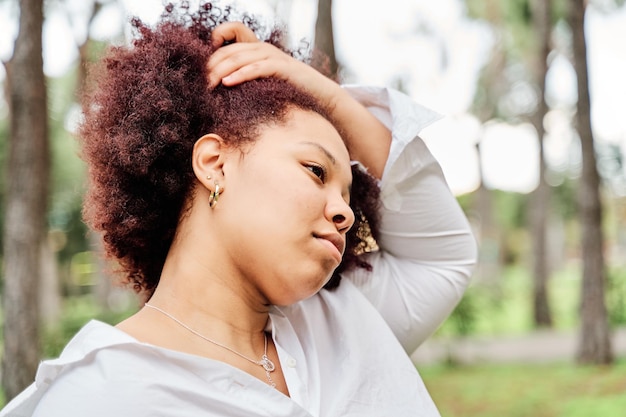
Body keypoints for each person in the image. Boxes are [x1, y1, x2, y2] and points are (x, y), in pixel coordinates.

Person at [1, 2, 477, 416]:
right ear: (214, 164)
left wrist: (317, 90)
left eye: (350, 195)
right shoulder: (96, 397)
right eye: (315, 170)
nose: (346, 214)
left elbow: (443, 255)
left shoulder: (344, 322)